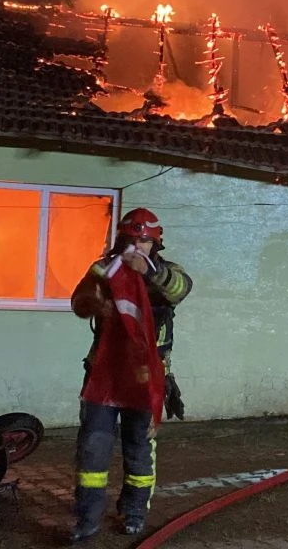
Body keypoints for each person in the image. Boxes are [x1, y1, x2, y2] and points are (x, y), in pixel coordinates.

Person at [68, 208, 193, 540]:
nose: (137, 247)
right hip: (104, 376)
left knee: (139, 448)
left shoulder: (167, 272)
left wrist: (149, 273)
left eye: (145, 241)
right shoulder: (103, 269)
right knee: (93, 449)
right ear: (121, 240)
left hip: (145, 378)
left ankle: (134, 513)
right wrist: (94, 303)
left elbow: (180, 289)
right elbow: (78, 301)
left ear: (155, 244)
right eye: (131, 240)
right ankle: (86, 519)